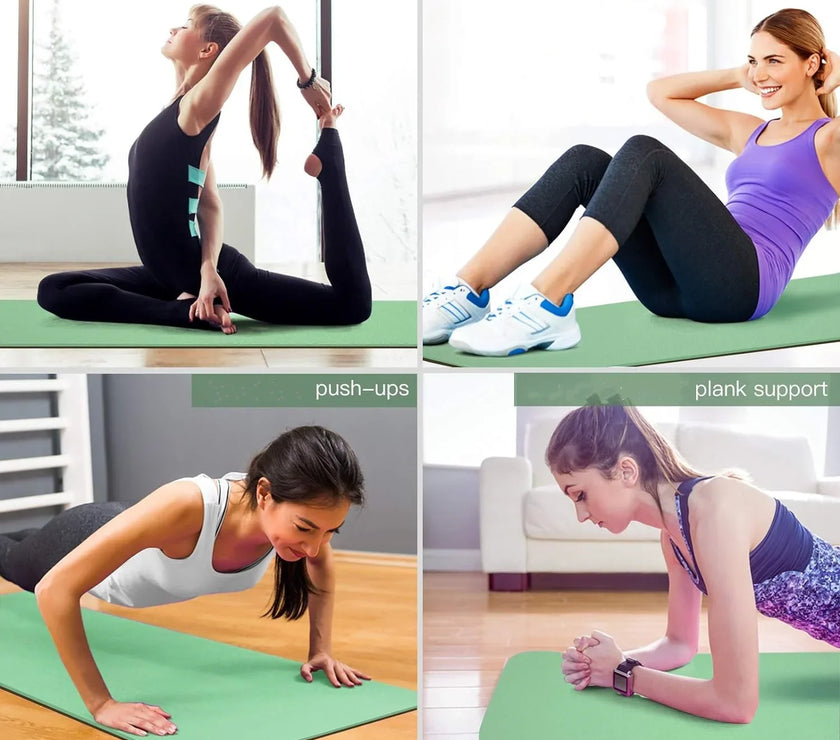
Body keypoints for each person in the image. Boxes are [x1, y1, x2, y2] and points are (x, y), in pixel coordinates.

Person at [423, 8, 840, 356]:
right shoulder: (748, 130)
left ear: (812, 63)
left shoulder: (828, 139)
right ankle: (465, 292)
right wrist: (737, 75)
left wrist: (835, 75)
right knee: (586, 161)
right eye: (755, 60)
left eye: (774, 61)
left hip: (741, 288)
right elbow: (660, 93)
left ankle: (546, 303)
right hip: (671, 291)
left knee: (648, 152)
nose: (761, 73)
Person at [0, 426, 369, 737]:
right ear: (264, 493)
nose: (315, 545)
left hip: (132, 523)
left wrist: (320, 650)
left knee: (23, 538)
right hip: (80, 534)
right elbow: (54, 590)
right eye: (305, 528)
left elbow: (320, 565)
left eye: (330, 531)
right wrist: (102, 704)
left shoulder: (300, 524)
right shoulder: (193, 504)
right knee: (11, 559)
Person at [37, 5, 371, 334]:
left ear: (208, 49)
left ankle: (330, 160)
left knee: (351, 304)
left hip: (211, 272)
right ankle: (183, 311)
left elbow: (274, 19)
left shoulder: (197, 105)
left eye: (185, 26)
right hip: (173, 273)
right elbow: (209, 203)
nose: (173, 29)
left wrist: (308, 79)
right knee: (55, 289)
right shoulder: (179, 111)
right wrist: (205, 267)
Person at [545, 406, 839, 723]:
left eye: (580, 495)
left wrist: (623, 671)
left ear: (627, 471)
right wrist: (606, 663)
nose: (581, 515)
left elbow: (735, 703)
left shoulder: (716, 511)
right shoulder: (673, 537)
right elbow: (679, 645)